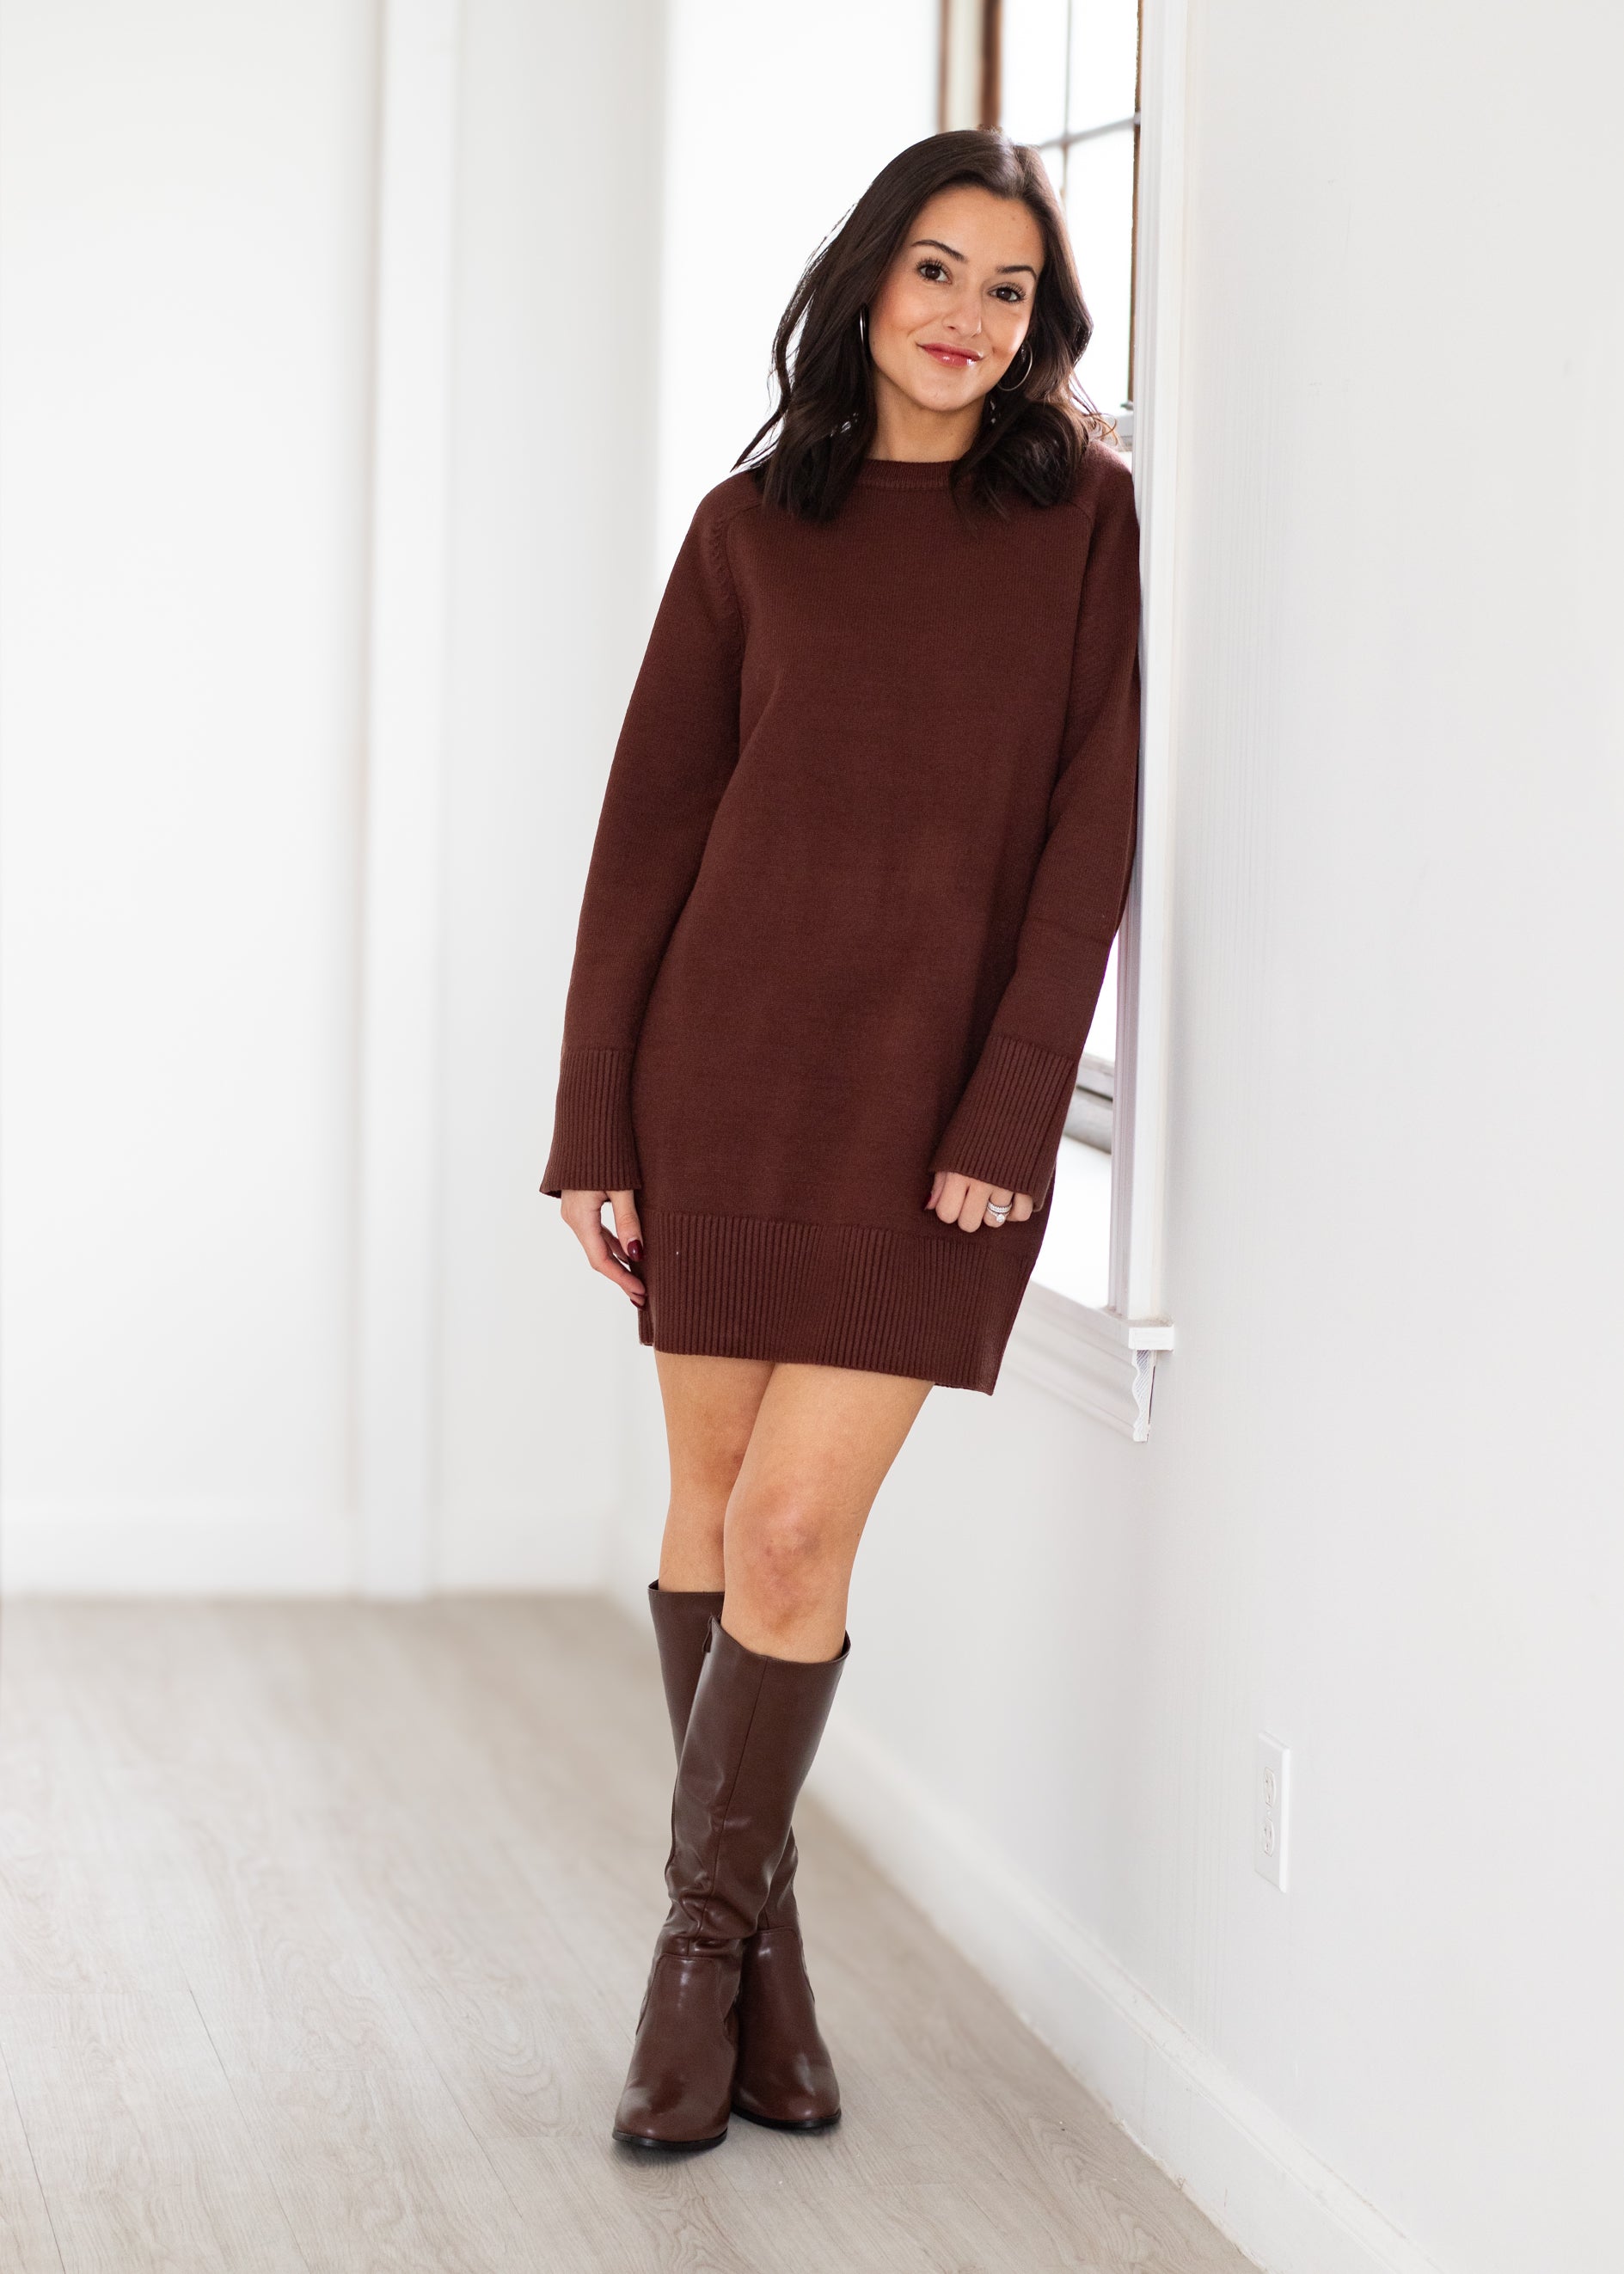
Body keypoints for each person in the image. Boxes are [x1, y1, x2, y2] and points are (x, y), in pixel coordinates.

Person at [539, 127, 1142, 2152]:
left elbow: (1091, 838)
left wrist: (1009, 1107)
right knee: (715, 1510)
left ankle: (687, 1971)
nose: (969, 318)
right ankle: (768, 1992)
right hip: (726, 1078)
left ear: (1039, 325)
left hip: (925, 1125)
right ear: (866, 284)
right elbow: (650, 833)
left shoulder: (1087, 527)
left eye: (1008, 289)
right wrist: (591, 1121)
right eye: (935, 274)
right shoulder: (749, 528)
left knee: (798, 1531)